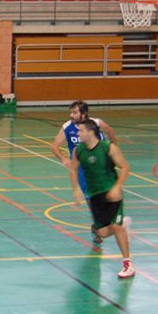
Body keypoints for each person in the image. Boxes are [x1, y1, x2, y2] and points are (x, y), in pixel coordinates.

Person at [70, 119, 135, 278]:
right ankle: (122, 224)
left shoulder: (108, 148)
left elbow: (125, 167)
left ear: (90, 132)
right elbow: (73, 169)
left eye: (81, 131)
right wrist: (76, 188)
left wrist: (117, 186)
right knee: (103, 233)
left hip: (112, 194)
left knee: (117, 227)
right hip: (94, 196)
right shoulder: (78, 151)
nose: (78, 133)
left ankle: (128, 264)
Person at [51, 100, 118, 244]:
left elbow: (111, 131)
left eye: (74, 112)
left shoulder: (96, 124)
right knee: (91, 199)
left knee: (109, 193)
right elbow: (55, 146)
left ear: (84, 114)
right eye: (71, 112)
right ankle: (98, 225)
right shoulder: (67, 127)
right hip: (82, 169)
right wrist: (63, 159)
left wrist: (114, 149)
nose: (71, 115)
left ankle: (107, 222)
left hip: (100, 165)